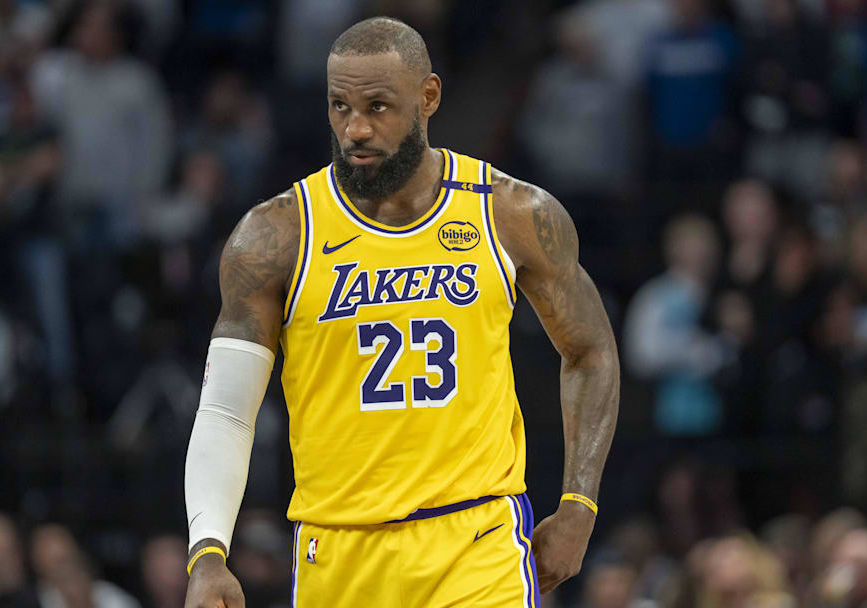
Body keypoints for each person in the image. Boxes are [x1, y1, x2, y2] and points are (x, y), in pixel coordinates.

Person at [183, 17, 619, 608]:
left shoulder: (510, 213)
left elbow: (589, 349)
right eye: (339, 106)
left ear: (428, 97)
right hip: (337, 550)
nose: (355, 128)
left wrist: (580, 505)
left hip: (477, 542)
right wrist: (208, 552)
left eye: (378, 106)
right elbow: (227, 410)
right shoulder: (276, 235)